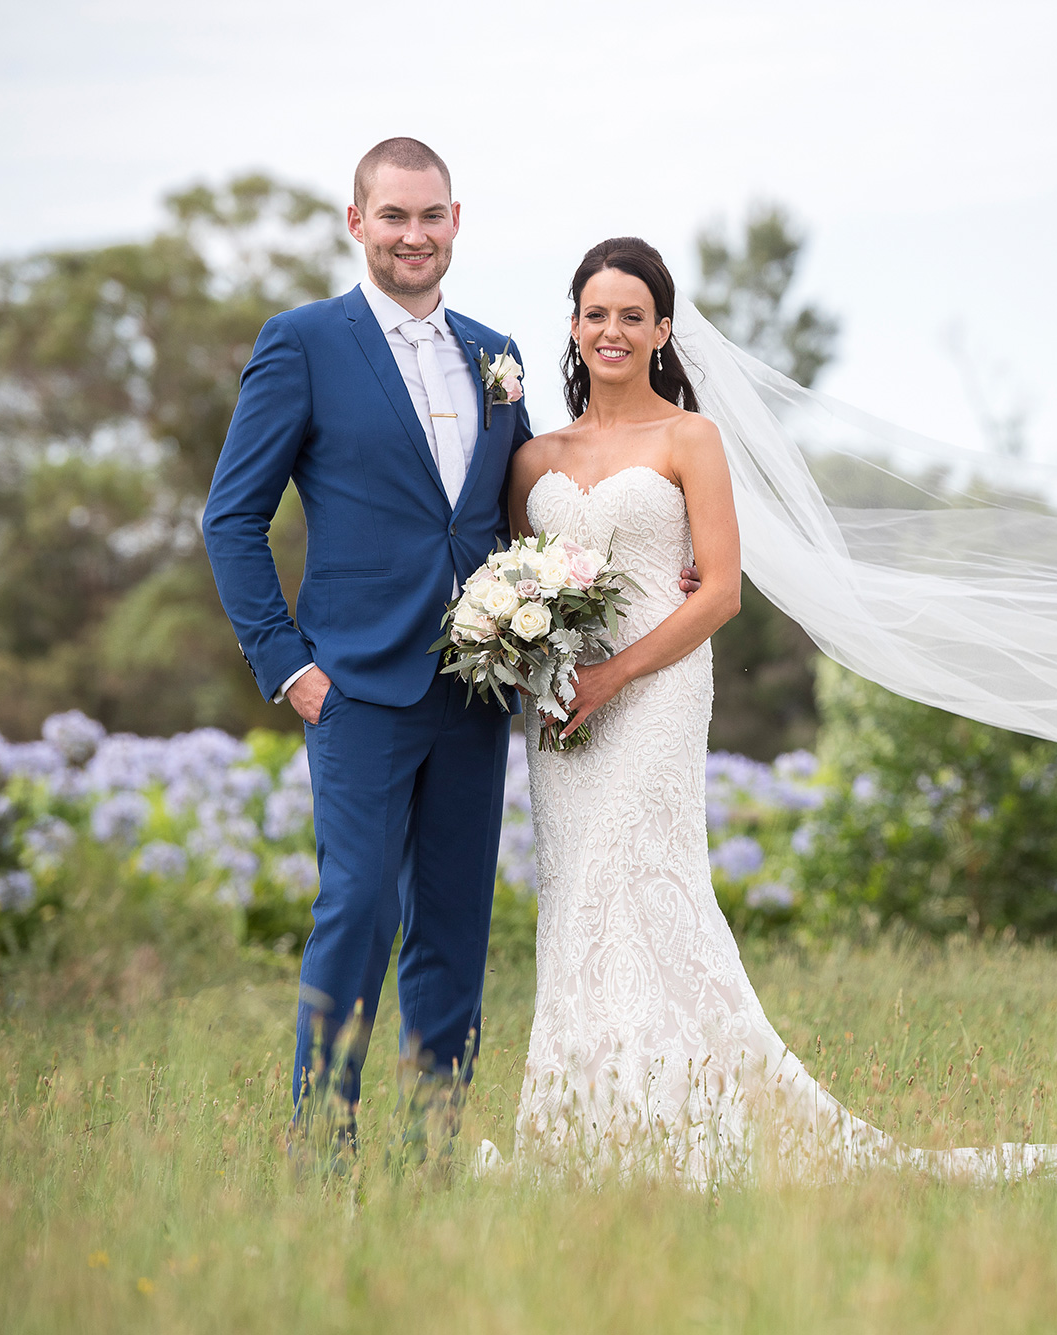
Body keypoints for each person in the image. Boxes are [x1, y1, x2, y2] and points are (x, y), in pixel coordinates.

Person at [497, 238, 1057, 1183]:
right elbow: (511, 577)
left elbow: (720, 591)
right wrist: (530, 657)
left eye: (632, 314)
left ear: (662, 330)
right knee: (580, 897)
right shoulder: (534, 454)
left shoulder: (689, 439)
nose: (611, 330)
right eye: (595, 313)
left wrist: (613, 678)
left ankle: (679, 1126)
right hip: (561, 715)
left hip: (653, 694)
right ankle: (588, 1124)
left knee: (645, 885)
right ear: (573, 324)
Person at [201, 139, 699, 1154]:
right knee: (355, 915)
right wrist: (286, 665)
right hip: (354, 691)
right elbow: (230, 519)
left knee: (454, 933)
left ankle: (433, 1152)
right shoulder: (302, 342)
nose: (413, 236)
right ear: (358, 223)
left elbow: (522, 517)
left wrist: (665, 566)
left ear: (455, 223)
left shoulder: (494, 353)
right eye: (393, 217)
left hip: (477, 695)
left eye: (430, 217)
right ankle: (321, 1148)